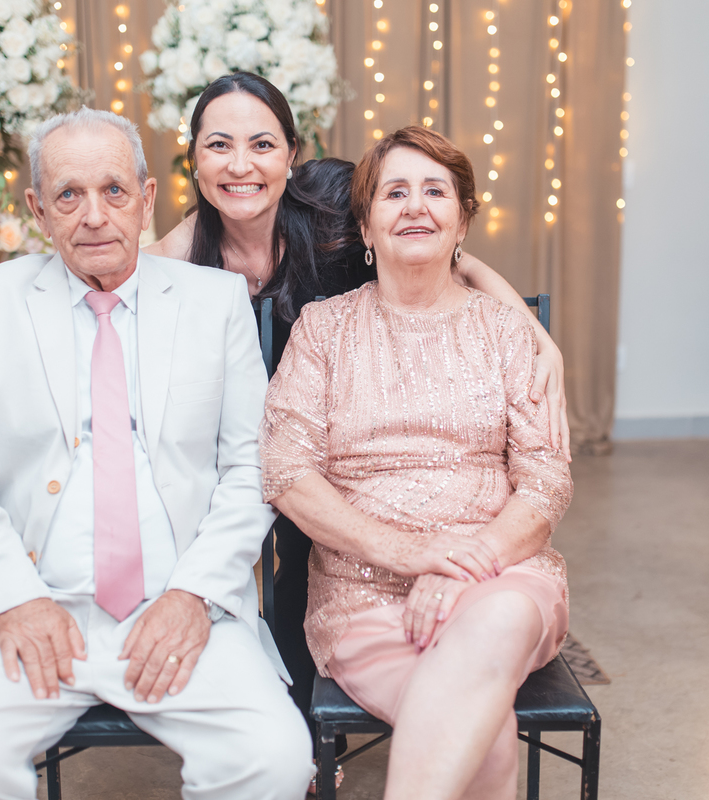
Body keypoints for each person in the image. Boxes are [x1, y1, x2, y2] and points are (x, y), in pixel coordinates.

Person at [0, 72, 572, 738]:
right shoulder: (180, 251)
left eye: (261, 144)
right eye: (218, 146)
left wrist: (531, 331)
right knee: (269, 531)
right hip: (257, 433)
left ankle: (303, 727)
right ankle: (283, 715)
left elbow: (433, 239)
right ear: (193, 163)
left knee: (304, 543)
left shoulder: (332, 205)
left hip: (350, 410)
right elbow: (88, 277)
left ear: (292, 154)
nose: (240, 165)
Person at [0, 108, 313, 800]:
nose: (94, 216)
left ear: (147, 199)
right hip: (35, 603)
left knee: (273, 759)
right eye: (69, 194)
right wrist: (16, 598)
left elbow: (250, 467)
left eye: (114, 191)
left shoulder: (215, 303)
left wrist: (193, 595)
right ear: (38, 210)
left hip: (185, 605)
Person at [260, 126, 573, 799]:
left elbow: (547, 481)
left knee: (496, 619)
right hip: (363, 594)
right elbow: (285, 470)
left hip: (503, 577)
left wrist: (467, 565)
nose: (415, 206)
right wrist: (408, 553)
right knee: (484, 740)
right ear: (366, 227)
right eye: (394, 192)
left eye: (435, 191)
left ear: (462, 221)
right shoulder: (322, 329)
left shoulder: (507, 330)